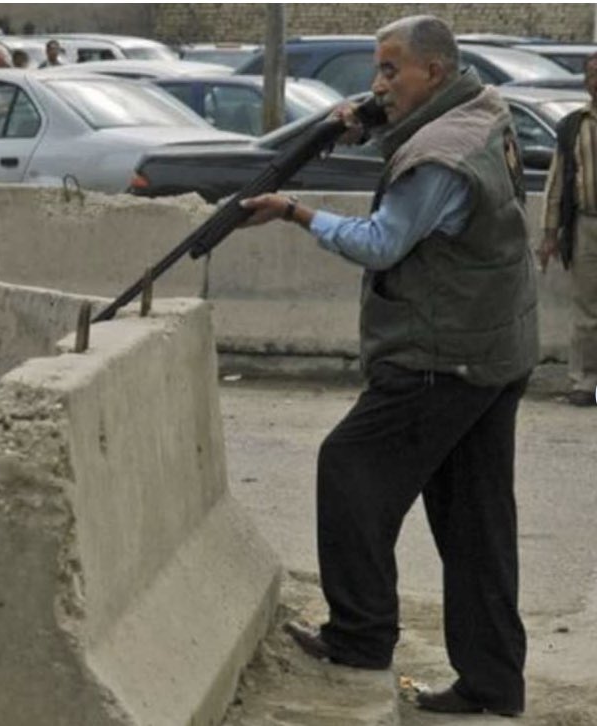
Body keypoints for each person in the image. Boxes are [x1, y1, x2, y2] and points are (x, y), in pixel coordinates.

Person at [240, 15, 537, 718]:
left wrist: (294, 212)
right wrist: (371, 122)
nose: (377, 83)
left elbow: (383, 242)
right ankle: (493, 684)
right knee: (477, 525)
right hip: (492, 348)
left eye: (390, 70)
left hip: (442, 356)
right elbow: (421, 138)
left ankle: (361, 635)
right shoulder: (478, 107)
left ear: (433, 71)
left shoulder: (440, 154)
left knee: (349, 468)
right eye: (375, 70)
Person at [538, 52, 597, 407]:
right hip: (587, 226)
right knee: (587, 311)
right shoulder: (574, 126)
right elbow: (557, 182)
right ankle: (583, 382)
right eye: (591, 74)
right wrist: (549, 233)